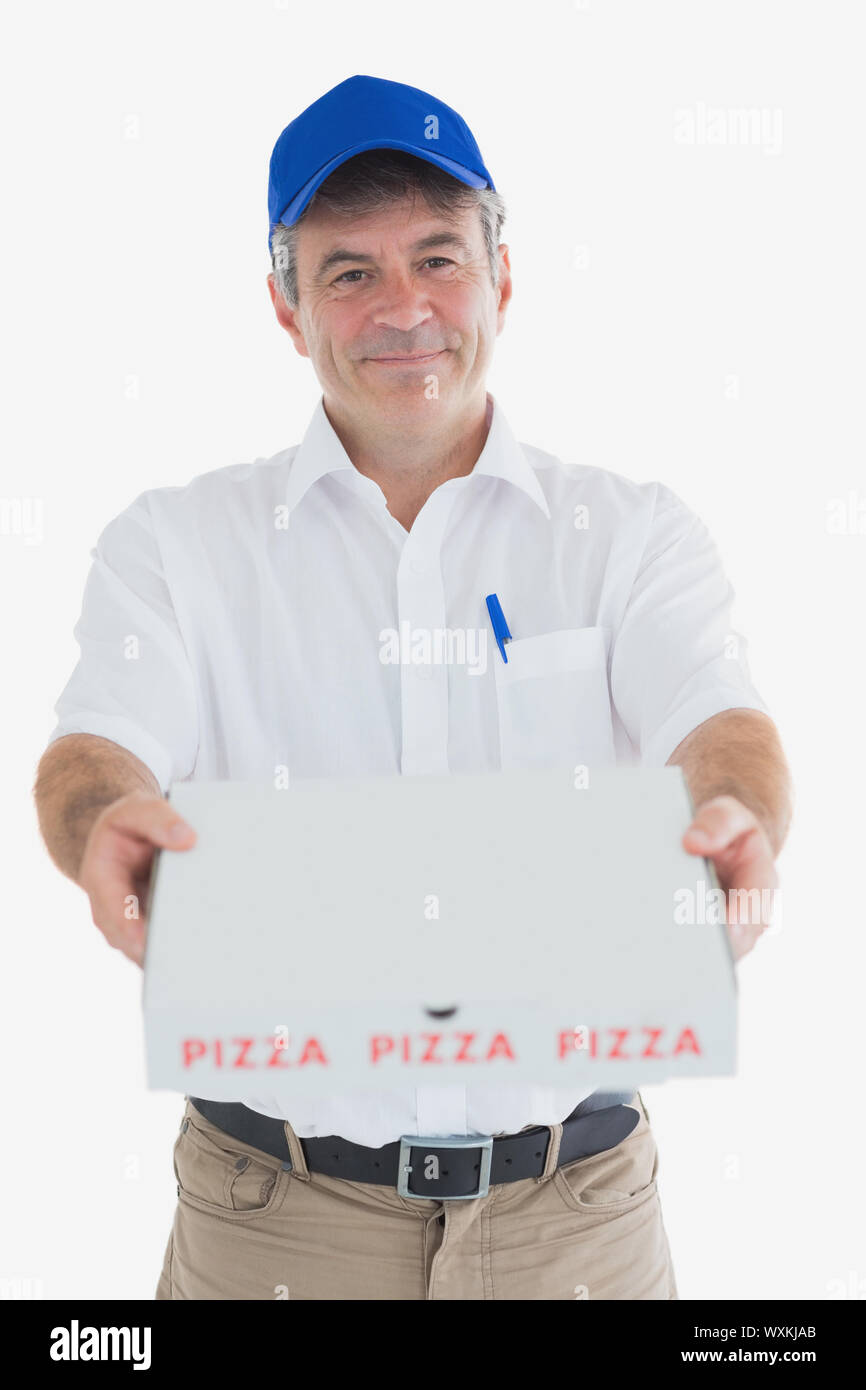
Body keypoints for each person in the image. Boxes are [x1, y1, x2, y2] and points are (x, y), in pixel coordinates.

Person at [34, 74, 792, 1301]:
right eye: (348, 272)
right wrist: (99, 822)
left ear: (502, 277)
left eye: (437, 257)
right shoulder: (174, 544)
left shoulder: (629, 535)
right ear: (286, 310)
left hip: (577, 1223)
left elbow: (717, 717)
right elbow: (93, 749)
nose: (404, 309)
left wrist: (739, 815)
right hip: (271, 1223)